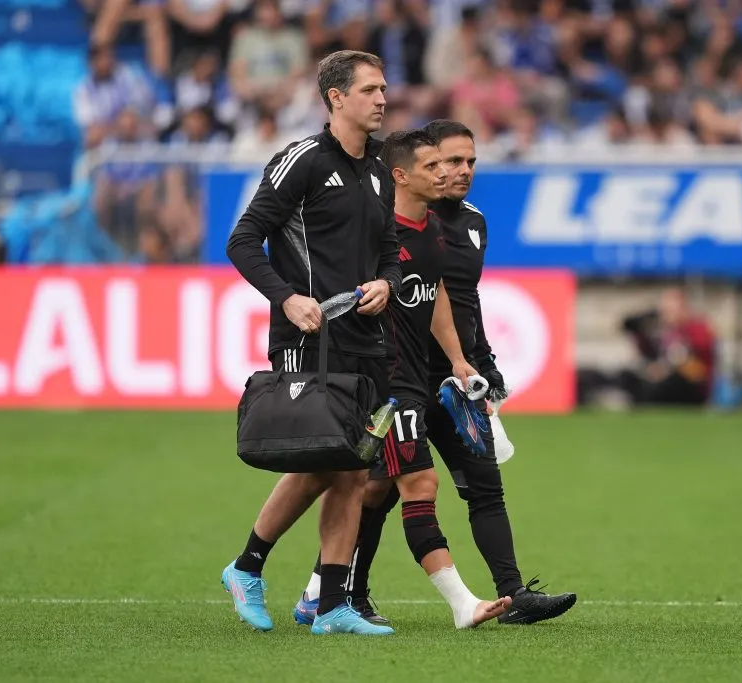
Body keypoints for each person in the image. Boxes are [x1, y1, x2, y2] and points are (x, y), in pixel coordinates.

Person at [294, 120, 577, 627]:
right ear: (415, 169)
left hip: (450, 380)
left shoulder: (472, 222)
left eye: (468, 161)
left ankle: (512, 593)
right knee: (378, 490)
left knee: (484, 485)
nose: (457, 171)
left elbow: (463, 300)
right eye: (447, 161)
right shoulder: (386, 221)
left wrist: (480, 358)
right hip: (399, 378)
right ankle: (334, 591)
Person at [221, 49, 401, 637]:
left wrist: (386, 282)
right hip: (311, 337)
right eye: (370, 90)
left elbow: (388, 248)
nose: (381, 99)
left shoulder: (379, 165)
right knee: (325, 457)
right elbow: (244, 240)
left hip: (366, 338)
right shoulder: (300, 160)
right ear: (335, 97)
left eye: (383, 89)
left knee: (353, 468)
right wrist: (286, 298)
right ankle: (247, 566)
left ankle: (331, 605)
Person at [610, 287, 717, 407]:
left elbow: (698, 369)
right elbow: (647, 356)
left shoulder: (697, 329)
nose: (667, 313)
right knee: (629, 378)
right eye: (665, 309)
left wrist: (666, 369)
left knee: (669, 382)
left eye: (672, 309)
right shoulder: (662, 331)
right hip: (662, 377)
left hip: (690, 383)